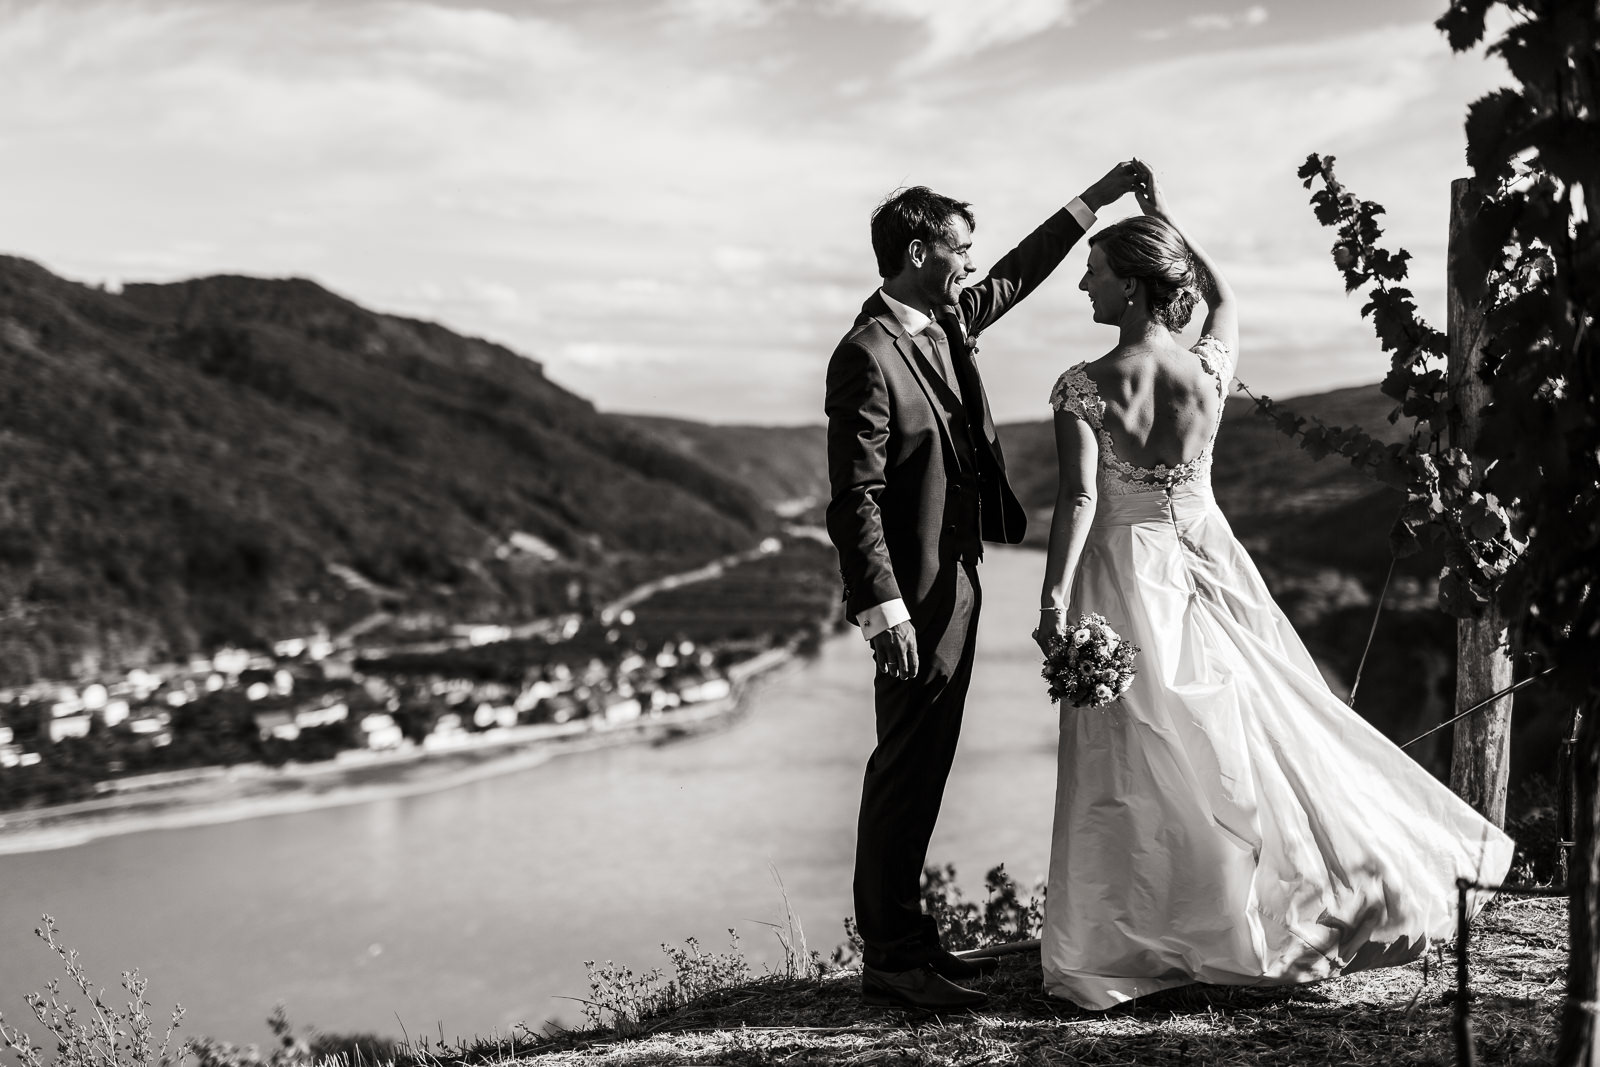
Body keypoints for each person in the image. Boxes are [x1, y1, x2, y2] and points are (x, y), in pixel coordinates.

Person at [1034, 160, 1515, 1009]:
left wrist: (1050, 602)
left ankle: (1150, 928)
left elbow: (1077, 497)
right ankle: (1255, 906)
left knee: (1141, 749)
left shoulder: (1083, 385)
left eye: (1098, 271)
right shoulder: (1209, 371)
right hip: (1211, 561)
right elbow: (1226, 298)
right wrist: (1166, 214)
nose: (1083, 282)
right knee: (1253, 725)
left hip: (1124, 571)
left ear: (1140, 290)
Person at [825, 164, 1138, 1012]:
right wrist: (880, 604)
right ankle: (889, 955)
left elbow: (1020, 270)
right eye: (959, 248)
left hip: (960, 577)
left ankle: (914, 938)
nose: (971, 262)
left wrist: (1094, 202)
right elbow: (852, 495)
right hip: (914, 595)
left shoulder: (944, 318)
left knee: (928, 763)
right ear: (919, 250)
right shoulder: (866, 353)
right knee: (903, 764)